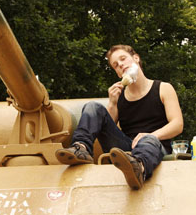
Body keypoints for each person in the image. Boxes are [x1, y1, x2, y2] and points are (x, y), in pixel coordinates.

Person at [55, 44, 183, 190]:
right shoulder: (119, 96)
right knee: (92, 106)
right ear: (117, 73)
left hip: (156, 146)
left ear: (136, 58)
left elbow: (177, 124)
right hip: (126, 151)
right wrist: (112, 103)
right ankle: (80, 148)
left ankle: (138, 169)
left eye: (123, 59)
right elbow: (104, 127)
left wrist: (150, 135)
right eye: (116, 65)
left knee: (148, 140)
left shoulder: (163, 88)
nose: (121, 65)